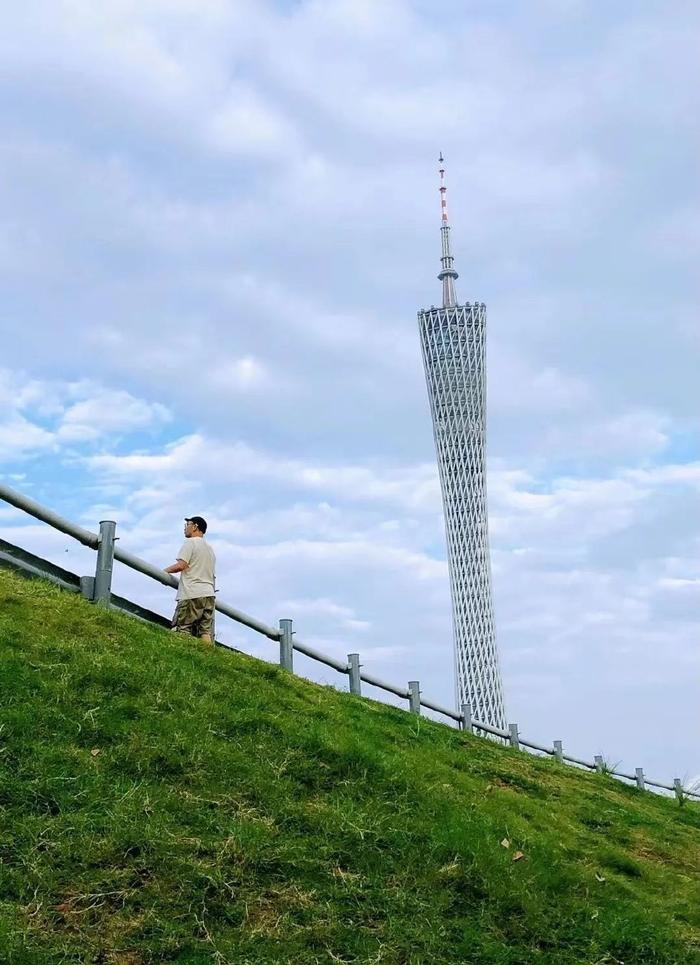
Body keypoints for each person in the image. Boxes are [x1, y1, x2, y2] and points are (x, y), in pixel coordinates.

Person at [165, 516, 216, 644]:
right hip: (209, 594)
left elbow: (182, 565)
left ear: (195, 526)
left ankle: (183, 656)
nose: (185, 528)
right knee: (205, 632)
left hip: (192, 593)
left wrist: (164, 572)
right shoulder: (210, 549)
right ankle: (209, 659)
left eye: (187, 524)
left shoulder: (190, 543)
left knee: (183, 628)